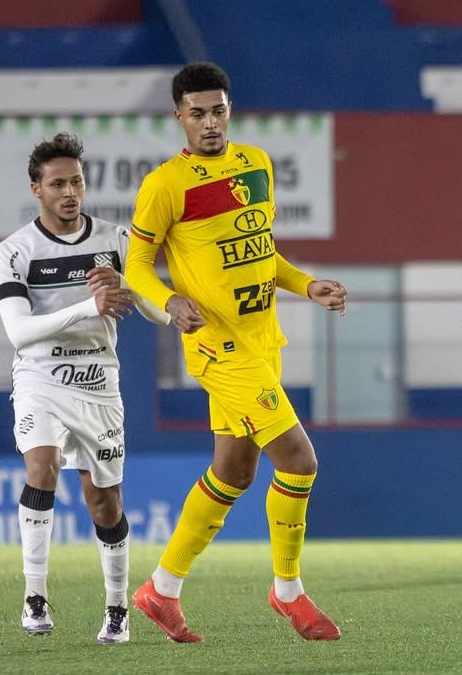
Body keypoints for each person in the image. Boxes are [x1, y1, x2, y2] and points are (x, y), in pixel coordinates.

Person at [124, 62, 347, 643]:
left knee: (234, 470)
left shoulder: (256, 164)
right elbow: (136, 267)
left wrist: (306, 285)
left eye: (217, 111)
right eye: (197, 113)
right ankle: (288, 591)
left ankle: (161, 589)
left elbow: (262, 252)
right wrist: (170, 301)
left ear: (230, 111)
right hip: (217, 348)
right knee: (298, 460)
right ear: (179, 116)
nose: (210, 122)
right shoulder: (165, 185)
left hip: (262, 340)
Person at [0, 132, 170, 642]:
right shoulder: (14, 251)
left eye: (76, 181)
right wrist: (89, 305)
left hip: (98, 379)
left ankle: (117, 608)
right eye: (57, 184)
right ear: (36, 189)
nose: (69, 192)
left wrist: (137, 292)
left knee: (104, 503)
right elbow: (19, 331)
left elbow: (155, 308)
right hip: (40, 377)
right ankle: (34, 596)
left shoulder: (117, 241)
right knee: (41, 466)